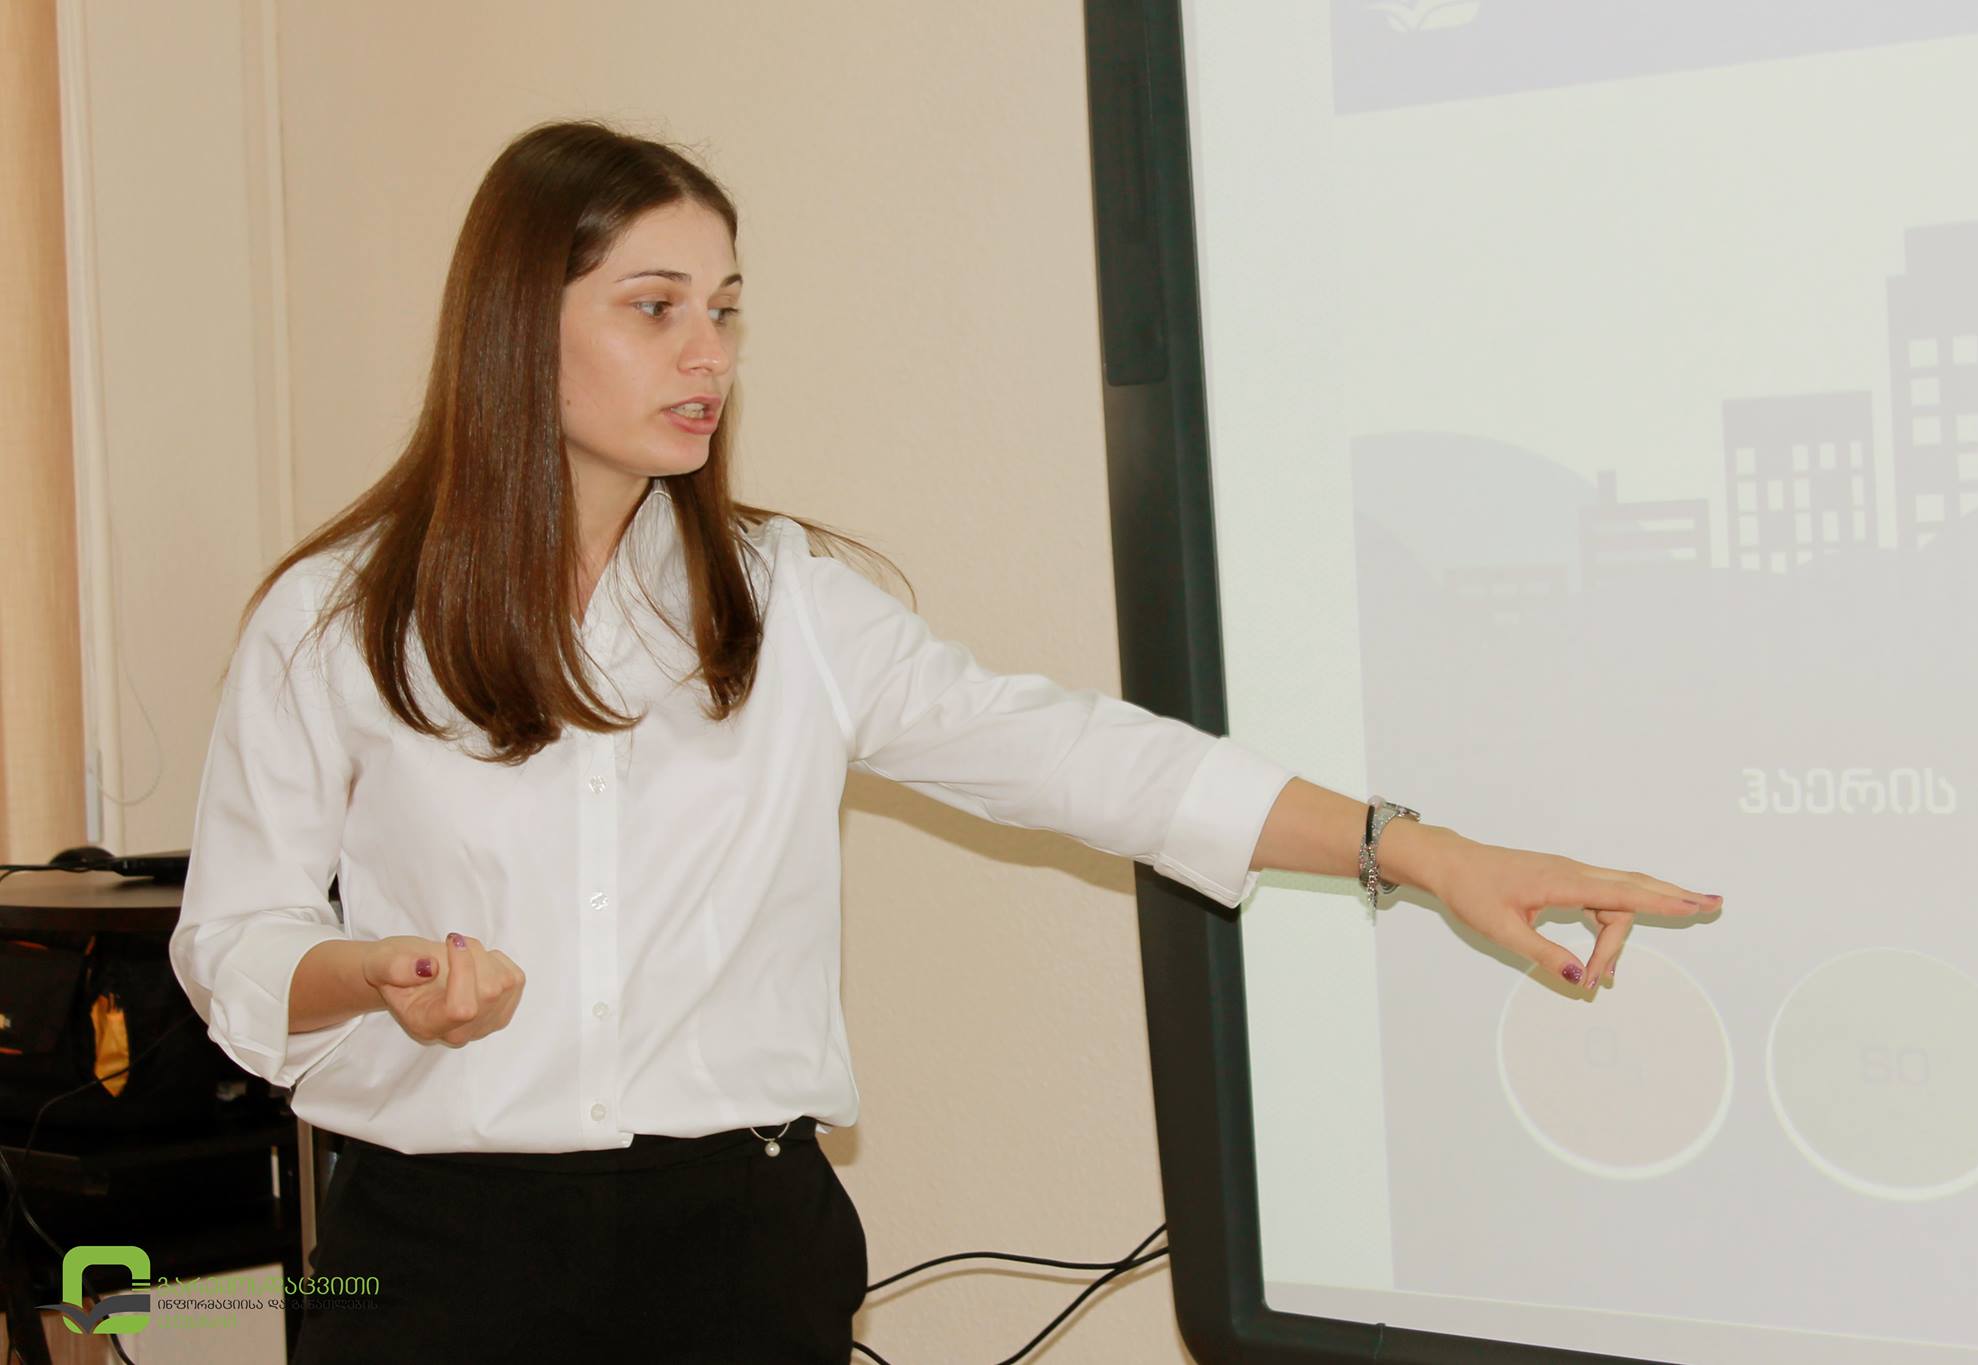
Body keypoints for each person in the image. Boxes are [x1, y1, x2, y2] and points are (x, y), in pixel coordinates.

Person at [167, 120, 1720, 1364]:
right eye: (655, 307)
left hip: (738, 1251)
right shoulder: (335, 617)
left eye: (726, 308)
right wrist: (370, 972)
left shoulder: (785, 604)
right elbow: (233, 942)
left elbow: (1079, 756)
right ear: (520, 325)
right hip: (434, 1262)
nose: (709, 353)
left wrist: (1416, 850)